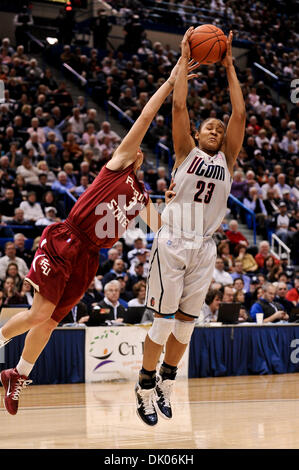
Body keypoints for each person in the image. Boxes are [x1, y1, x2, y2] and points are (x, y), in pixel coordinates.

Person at [0, 59, 194, 416]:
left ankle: (17, 374)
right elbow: (147, 118)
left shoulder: (143, 197)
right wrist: (169, 84)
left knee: (50, 320)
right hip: (66, 239)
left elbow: (165, 227)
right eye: (134, 146)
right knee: (38, 312)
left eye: (140, 152)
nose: (137, 148)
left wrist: (177, 203)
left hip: (89, 258)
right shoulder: (117, 164)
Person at [136, 28, 245, 426]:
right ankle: (144, 386)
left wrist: (230, 65)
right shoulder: (186, 151)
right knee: (163, 322)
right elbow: (179, 106)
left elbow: (239, 114)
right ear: (198, 134)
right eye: (210, 128)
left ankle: (166, 379)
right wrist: (183, 58)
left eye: (220, 129)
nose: (217, 131)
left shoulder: (228, 160)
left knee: (185, 327)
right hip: (173, 241)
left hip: (204, 245)